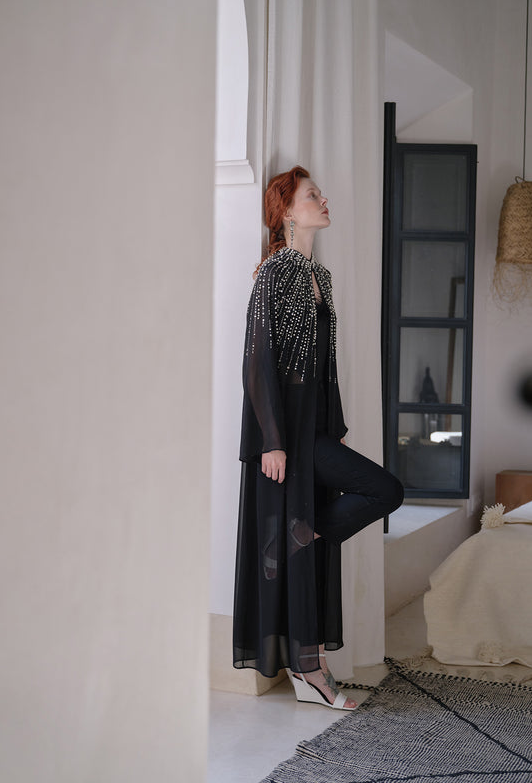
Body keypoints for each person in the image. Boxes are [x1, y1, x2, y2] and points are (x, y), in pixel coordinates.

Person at [233, 165, 404, 709]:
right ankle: (310, 672)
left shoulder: (319, 277)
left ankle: (297, 539)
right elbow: (257, 359)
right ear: (287, 211)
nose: (323, 201)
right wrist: (272, 439)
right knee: (382, 492)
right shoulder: (276, 271)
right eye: (313, 195)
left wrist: (337, 431)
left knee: (382, 492)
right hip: (286, 429)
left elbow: (326, 367)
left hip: (316, 427)